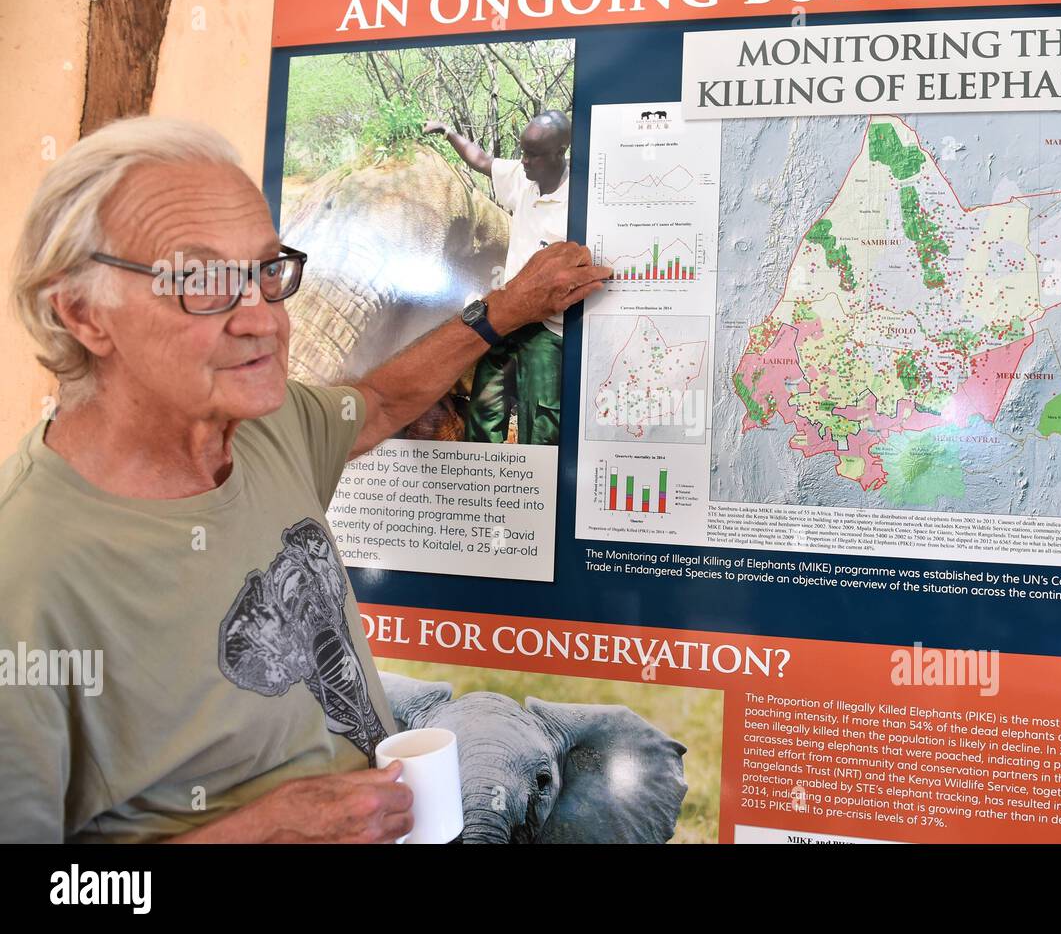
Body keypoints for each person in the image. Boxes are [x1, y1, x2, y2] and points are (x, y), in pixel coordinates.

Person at [0, 117, 609, 842]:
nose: (262, 318)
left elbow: (379, 402)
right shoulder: (25, 575)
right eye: (202, 281)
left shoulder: (261, 427)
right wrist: (263, 831)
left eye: (265, 270)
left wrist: (509, 307)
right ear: (83, 313)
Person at [424, 110, 571, 445]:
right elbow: (482, 161)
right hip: (507, 312)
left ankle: (537, 484)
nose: (525, 161)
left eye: (533, 154)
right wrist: (449, 131)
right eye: (522, 152)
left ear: (559, 152)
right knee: (487, 402)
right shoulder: (524, 179)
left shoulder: (579, 201)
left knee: (543, 417)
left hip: (550, 325)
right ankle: (483, 475)